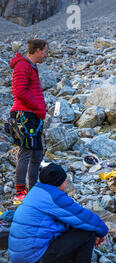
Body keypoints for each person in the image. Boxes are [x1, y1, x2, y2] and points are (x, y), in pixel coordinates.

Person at [8, 163, 111, 263]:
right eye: (64, 179)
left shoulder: (37, 191)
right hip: (33, 261)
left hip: (21, 257)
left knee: (76, 226)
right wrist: (103, 232)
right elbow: (84, 218)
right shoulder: (54, 197)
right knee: (88, 232)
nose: (66, 181)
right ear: (59, 182)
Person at [9, 39, 48, 205]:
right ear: (37, 50)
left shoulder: (32, 66)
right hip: (25, 115)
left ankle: (33, 189)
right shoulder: (23, 65)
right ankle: (20, 193)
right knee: (25, 153)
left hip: (33, 115)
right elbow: (19, 91)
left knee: (37, 153)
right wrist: (38, 107)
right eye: (45, 51)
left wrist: (38, 111)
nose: (46, 55)